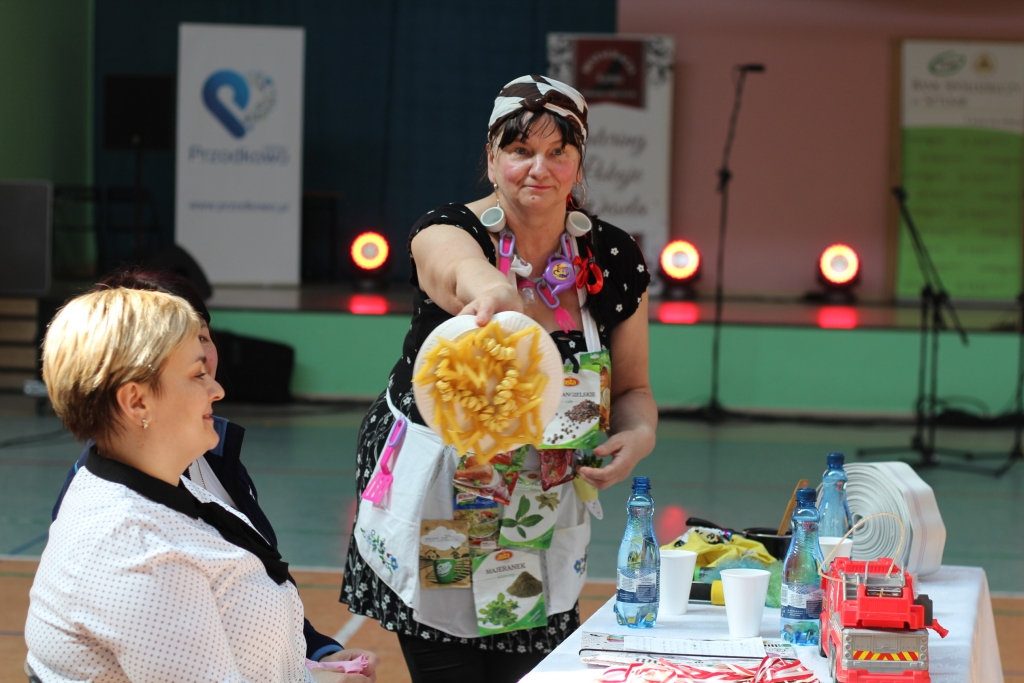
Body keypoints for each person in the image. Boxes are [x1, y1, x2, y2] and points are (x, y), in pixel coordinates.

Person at [341, 75, 657, 683]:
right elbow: (452, 267)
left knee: (533, 668)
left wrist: (638, 436)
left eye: (558, 151)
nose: (539, 168)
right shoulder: (449, 230)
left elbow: (633, 391)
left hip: (544, 505)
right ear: (491, 158)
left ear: (578, 164)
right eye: (520, 150)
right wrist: (492, 290)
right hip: (442, 494)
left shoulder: (611, 258)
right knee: (450, 664)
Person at [27, 287, 371, 683]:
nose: (217, 389)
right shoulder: (137, 549)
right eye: (197, 375)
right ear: (136, 402)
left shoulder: (159, 488)